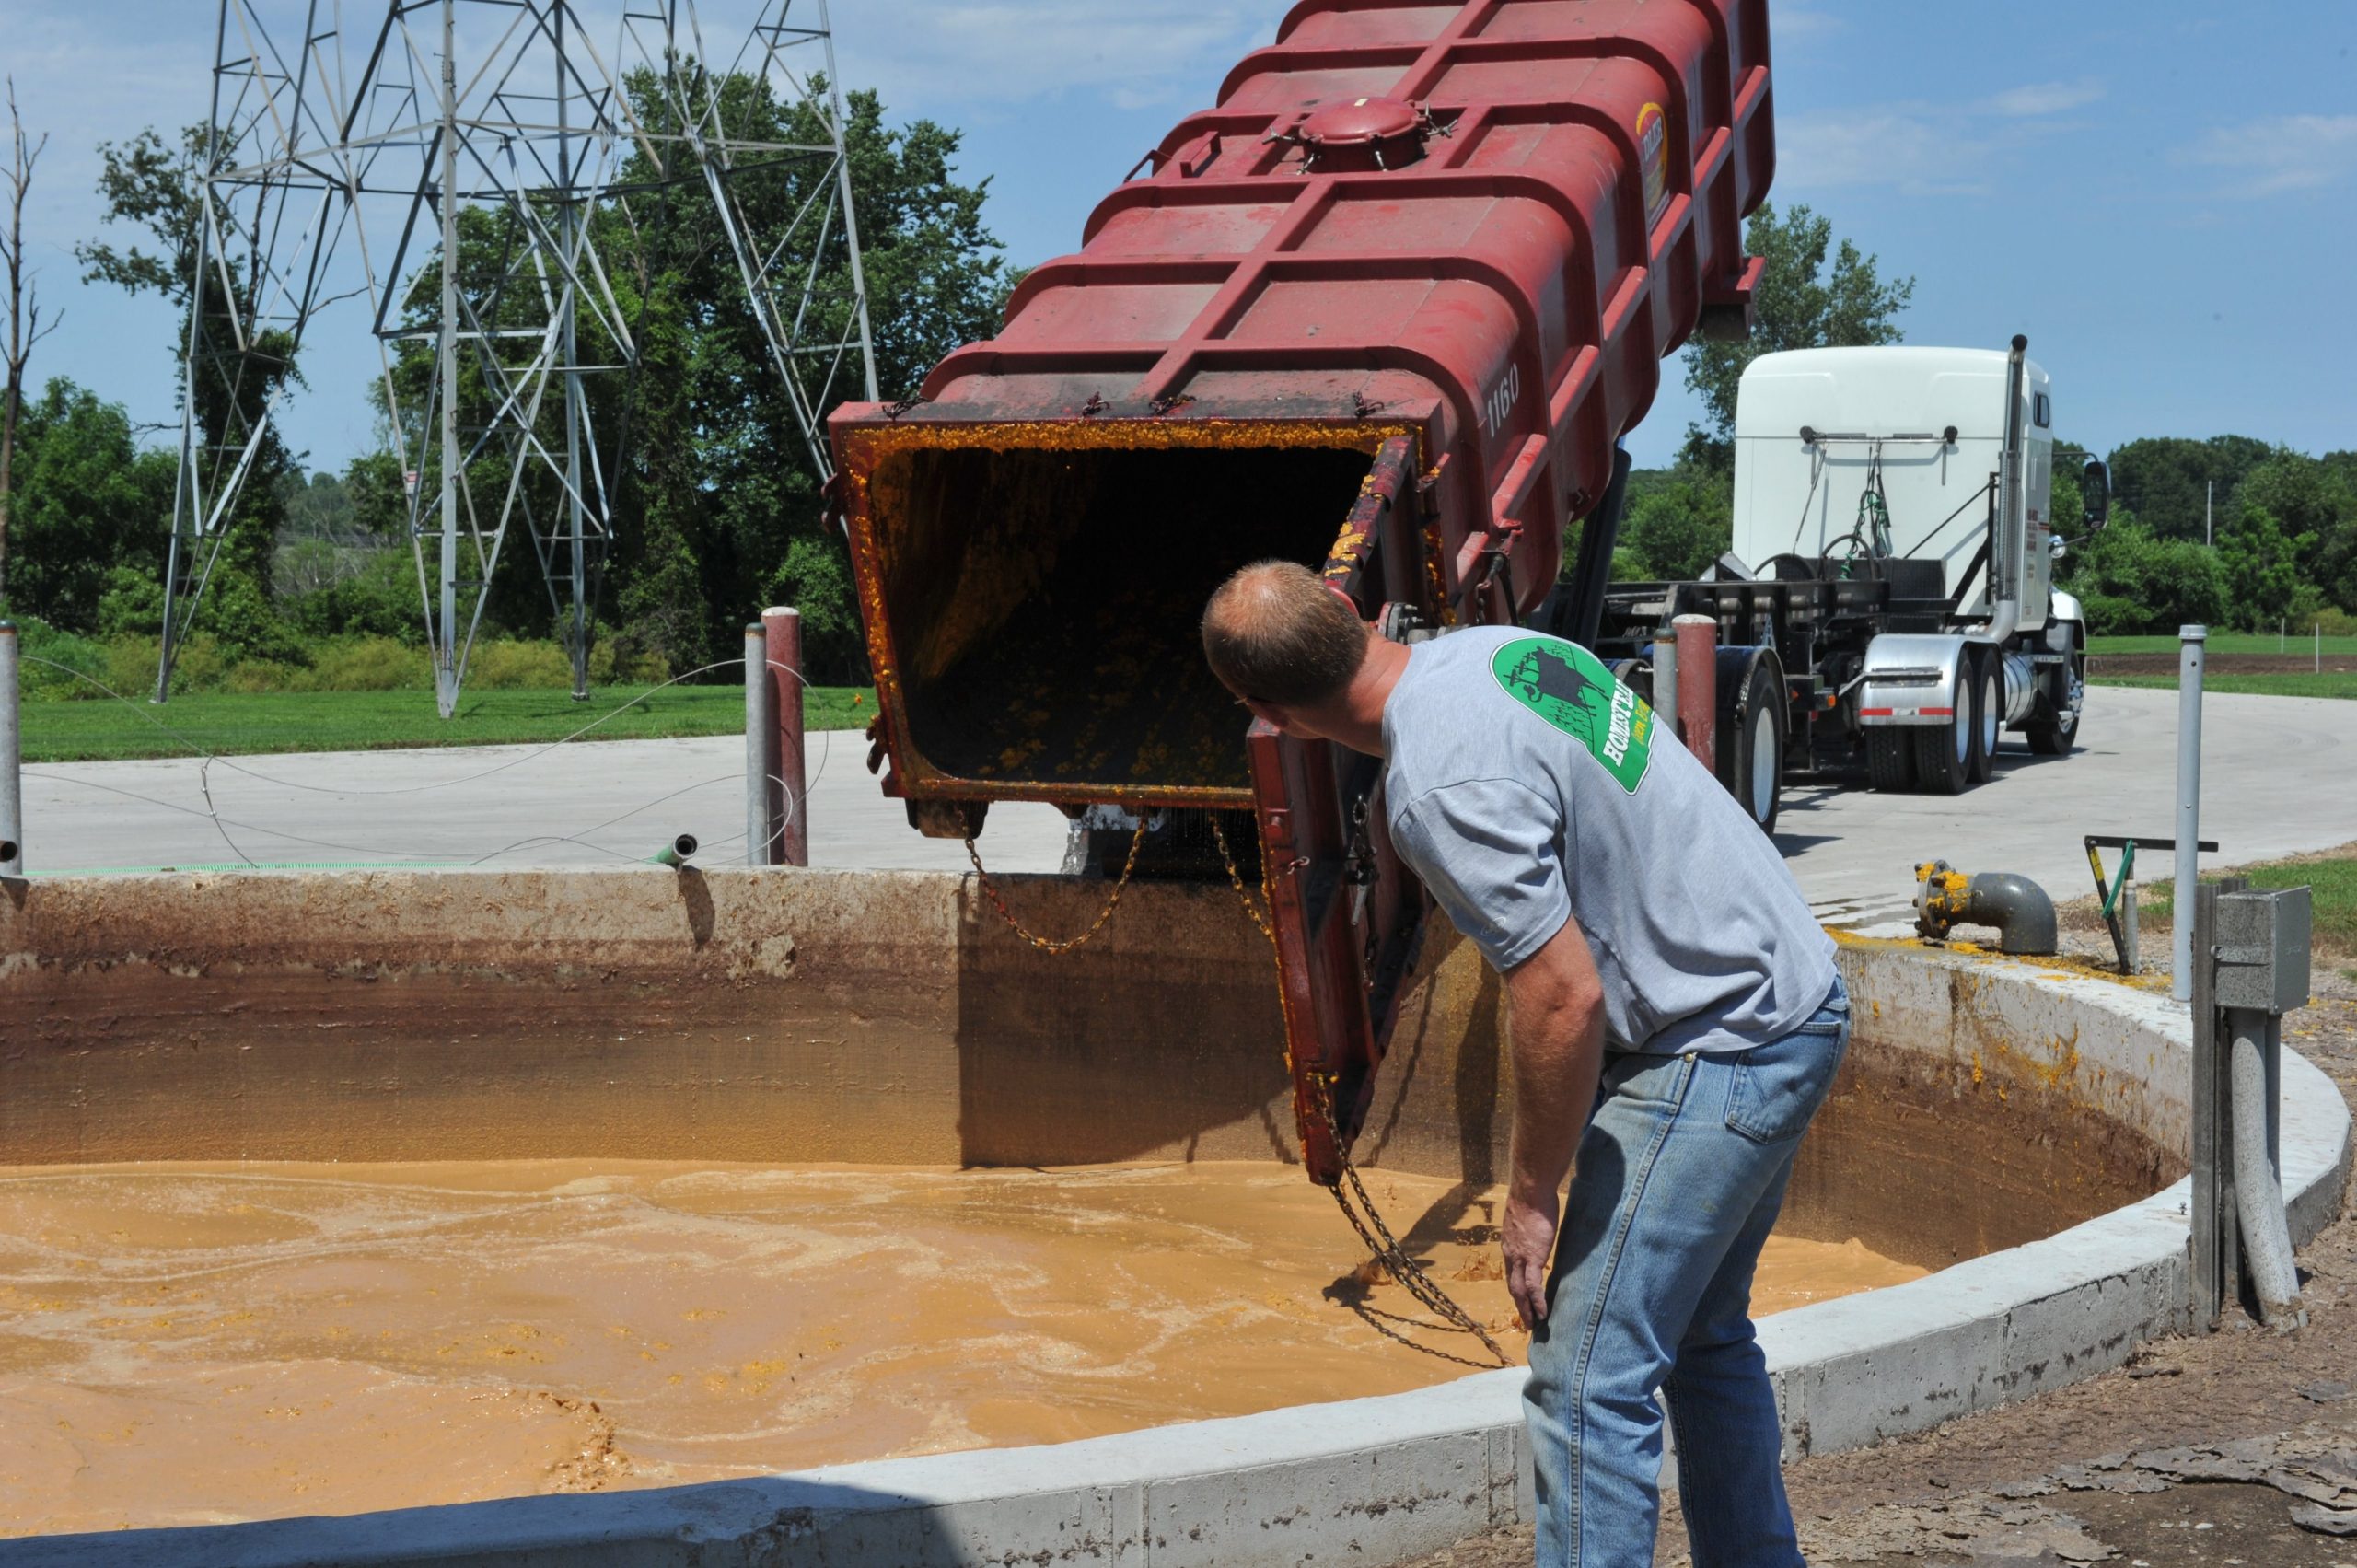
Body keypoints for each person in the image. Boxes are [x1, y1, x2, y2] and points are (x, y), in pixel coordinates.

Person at [1201, 561, 1847, 1568]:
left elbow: (1560, 993)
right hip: (1790, 994)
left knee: (1585, 1380)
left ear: (1267, 715)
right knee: (1704, 1339)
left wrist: (1531, 1194)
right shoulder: (1507, 653)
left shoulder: (1435, 787)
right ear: (1350, 610)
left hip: (1716, 1039)